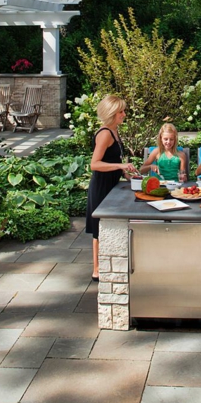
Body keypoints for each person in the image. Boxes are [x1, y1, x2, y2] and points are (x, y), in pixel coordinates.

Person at [85, 95, 137, 282]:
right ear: (112, 113)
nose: (124, 114)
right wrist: (121, 167)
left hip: (112, 183)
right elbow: (95, 164)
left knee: (107, 225)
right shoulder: (105, 133)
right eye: (121, 111)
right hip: (101, 185)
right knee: (99, 229)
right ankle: (97, 269)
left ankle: (109, 261)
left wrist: (126, 174)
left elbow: (113, 159)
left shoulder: (115, 131)